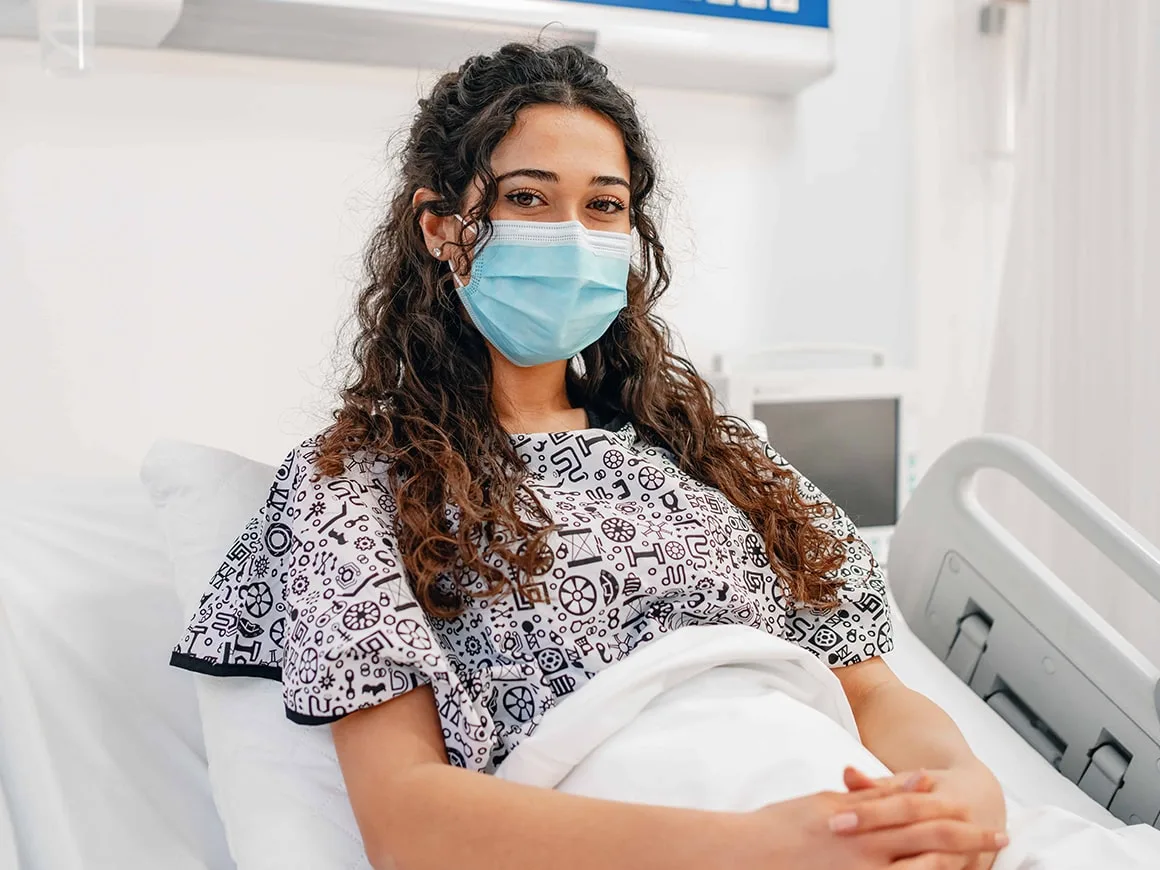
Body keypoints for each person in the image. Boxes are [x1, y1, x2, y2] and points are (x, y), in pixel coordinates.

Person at [171, 42, 1008, 870]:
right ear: (440, 227)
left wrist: (963, 790)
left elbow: (869, 692)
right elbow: (407, 819)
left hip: (850, 818)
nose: (572, 236)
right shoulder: (358, 486)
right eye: (529, 198)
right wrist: (762, 848)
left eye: (604, 207)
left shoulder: (715, 454)